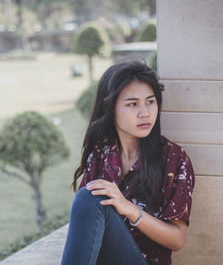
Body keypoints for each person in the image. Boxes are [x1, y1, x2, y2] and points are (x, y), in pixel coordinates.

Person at [61, 59, 195, 265]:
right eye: (133, 104)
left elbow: (177, 239)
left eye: (150, 101)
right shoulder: (100, 154)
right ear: (111, 108)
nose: (145, 113)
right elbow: (87, 219)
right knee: (88, 196)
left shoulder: (174, 159)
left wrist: (128, 208)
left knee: (90, 195)